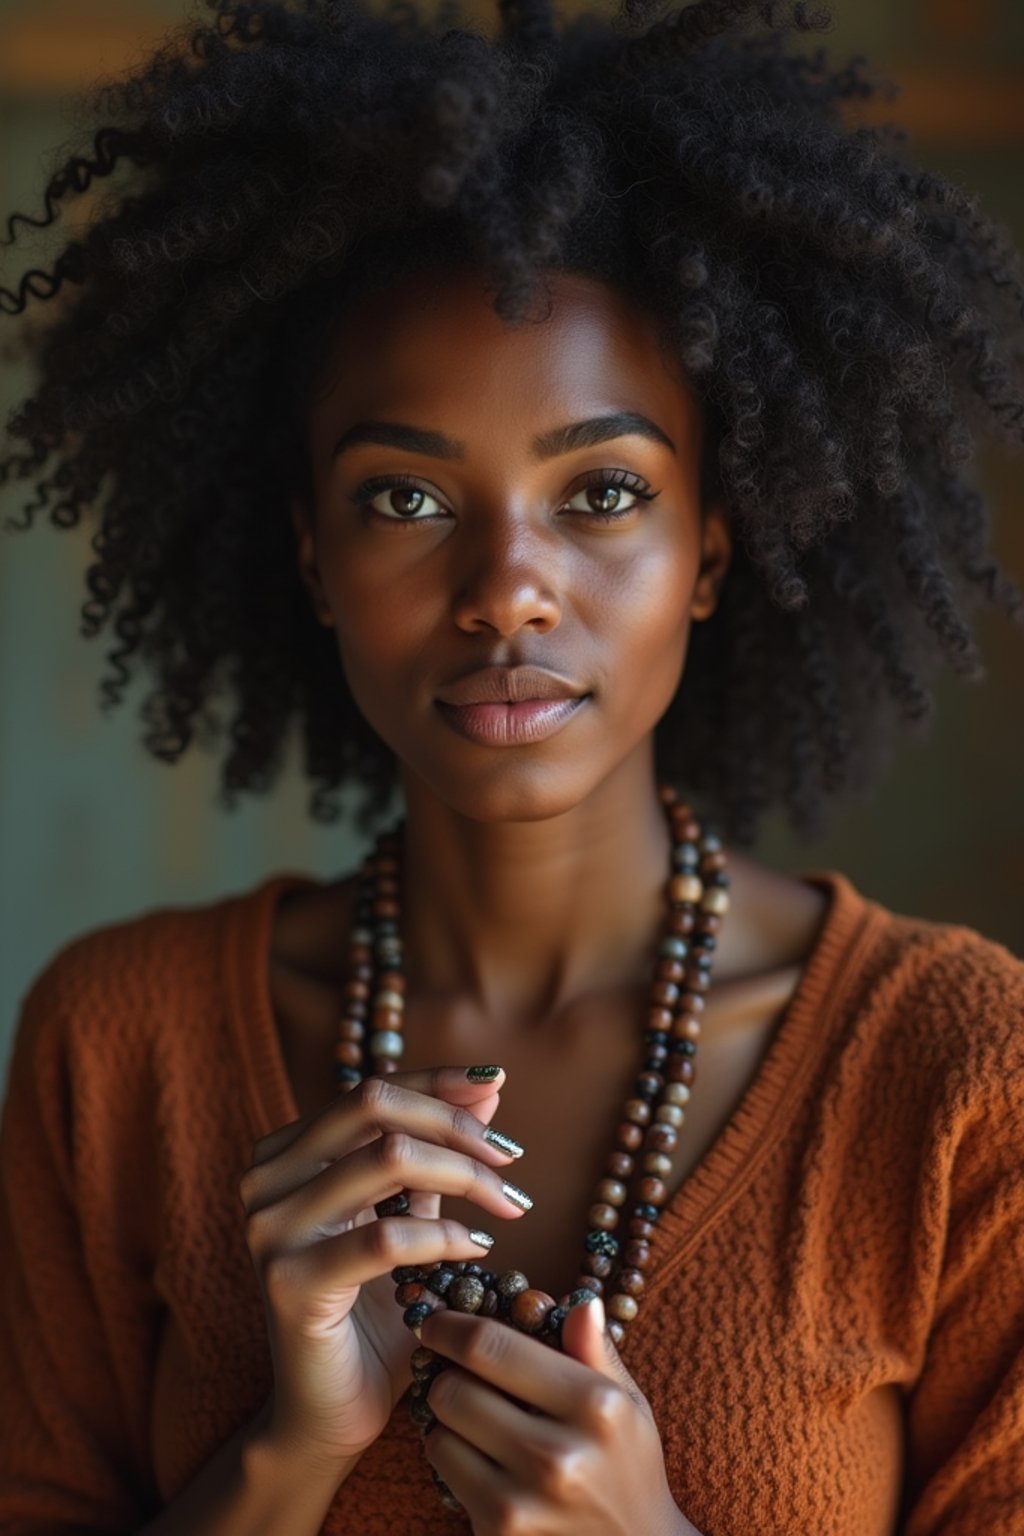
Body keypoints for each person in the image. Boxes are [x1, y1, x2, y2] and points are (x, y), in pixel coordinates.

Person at [1, 0, 1023, 1531]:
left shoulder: (961, 1073)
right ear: (311, 556)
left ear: (711, 551)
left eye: (601, 490)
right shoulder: (117, 1045)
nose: (506, 587)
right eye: (404, 500)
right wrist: (289, 1452)